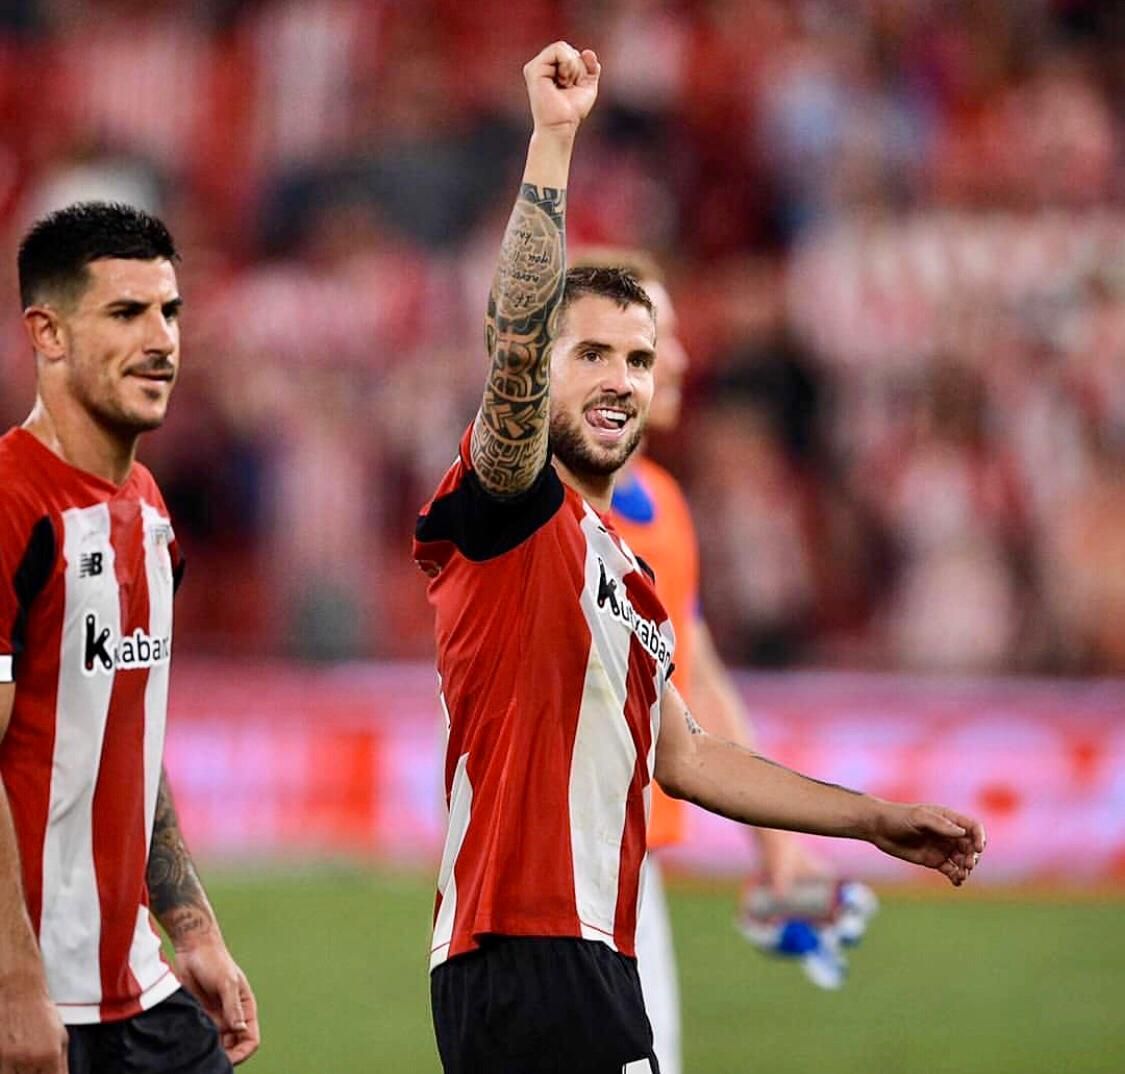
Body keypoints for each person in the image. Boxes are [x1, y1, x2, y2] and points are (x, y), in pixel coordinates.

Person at [413, 42, 985, 1074]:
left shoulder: (623, 568)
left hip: (600, 948)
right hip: (519, 956)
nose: (625, 376)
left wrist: (871, 821)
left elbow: (688, 755)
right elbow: (509, 349)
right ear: (541, 370)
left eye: (638, 356)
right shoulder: (508, 512)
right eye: (591, 351)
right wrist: (553, 141)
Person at [0, 202, 260, 1074]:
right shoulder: (11, 509)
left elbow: (126, 742)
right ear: (49, 333)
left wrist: (192, 927)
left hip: (140, 993)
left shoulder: (149, 513)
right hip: (33, 1003)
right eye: (125, 313)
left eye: (170, 312)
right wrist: (13, 987)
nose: (161, 340)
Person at [573, 247, 845, 1074]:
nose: (677, 361)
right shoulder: (544, 506)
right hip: (560, 873)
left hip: (627, 864)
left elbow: (697, 674)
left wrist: (775, 843)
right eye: (643, 343)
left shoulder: (660, 501)